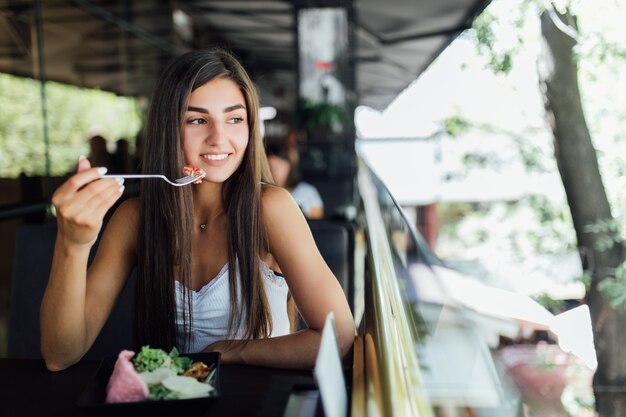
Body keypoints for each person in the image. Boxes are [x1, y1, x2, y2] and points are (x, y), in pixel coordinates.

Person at [40, 49, 354, 371]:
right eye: (198, 120)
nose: (219, 138)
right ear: (169, 130)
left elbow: (339, 337)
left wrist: (229, 351)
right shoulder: (135, 219)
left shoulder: (270, 209)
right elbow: (60, 355)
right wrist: (72, 244)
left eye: (234, 119)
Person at [266, 145, 324, 219]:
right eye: (271, 167)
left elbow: (319, 214)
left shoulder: (307, 190)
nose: (275, 172)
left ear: (289, 166)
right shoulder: (264, 194)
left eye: (279, 167)